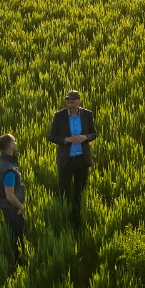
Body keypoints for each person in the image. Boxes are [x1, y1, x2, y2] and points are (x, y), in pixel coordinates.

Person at [46, 90, 97, 229]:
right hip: (66, 160)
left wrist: (85, 137)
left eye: (73, 102)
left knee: (80, 190)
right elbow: (51, 136)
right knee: (64, 190)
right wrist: (65, 140)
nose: (70, 105)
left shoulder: (87, 114)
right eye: (68, 102)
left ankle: (77, 217)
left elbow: (93, 133)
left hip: (82, 159)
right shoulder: (59, 116)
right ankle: (63, 216)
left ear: (79, 101)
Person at [0, 134, 27, 265]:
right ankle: (19, 261)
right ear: (10, 145)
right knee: (17, 235)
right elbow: (10, 196)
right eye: (14, 141)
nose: (16, 143)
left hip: (3, 205)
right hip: (12, 208)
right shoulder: (9, 170)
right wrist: (20, 207)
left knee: (10, 232)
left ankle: (14, 258)